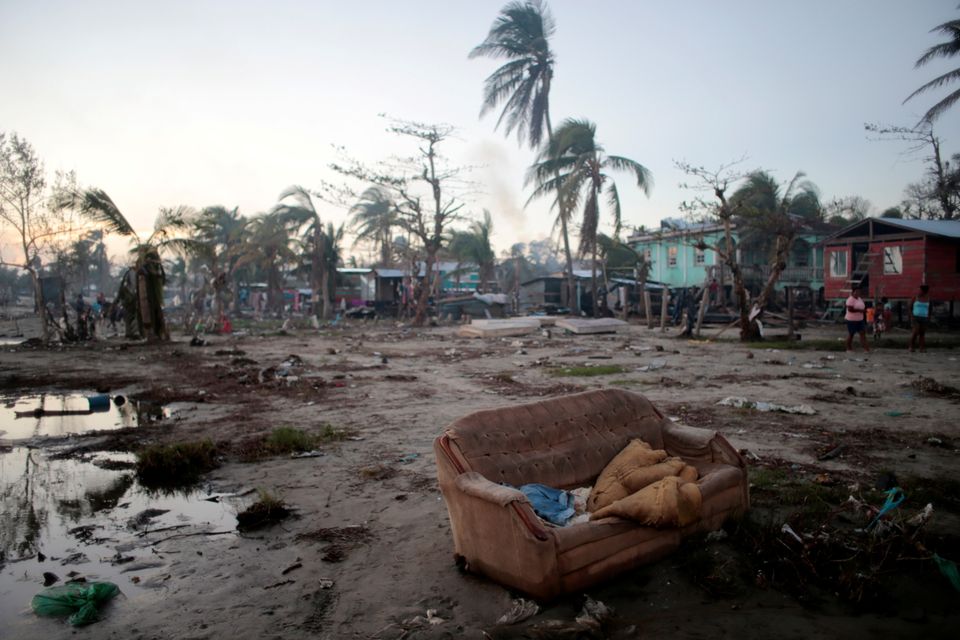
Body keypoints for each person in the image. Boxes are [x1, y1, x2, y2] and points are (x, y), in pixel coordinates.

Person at [844, 286, 869, 353]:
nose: (858, 293)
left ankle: (866, 348)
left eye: (859, 291)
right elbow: (850, 309)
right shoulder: (850, 299)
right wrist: (860, 310)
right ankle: (848, 348)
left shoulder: (859, 299)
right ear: (853, 292)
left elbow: (861, 306)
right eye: (856, 291)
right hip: (851, 320)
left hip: (860, 319)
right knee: (851, 334)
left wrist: (864, 310)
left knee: (862, 333)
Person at [909, 284, 931, 353]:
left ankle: (922, 348)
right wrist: (911, 316)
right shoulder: (915, 297)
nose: (919, 291)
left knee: (922, 333)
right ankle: (911, 346)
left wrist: (929, 317)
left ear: (924, 291)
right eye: (919, 289)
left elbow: (930, 309)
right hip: (915, 317)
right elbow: (910, 307)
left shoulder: (928, 298)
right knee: (916, 331)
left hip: (924, 318)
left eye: (920, 290)